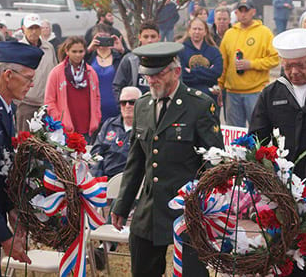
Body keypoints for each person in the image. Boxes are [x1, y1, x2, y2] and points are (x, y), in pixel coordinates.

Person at [111, 42, 224, 277]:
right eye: (148, 75)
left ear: (176, 71)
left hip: (187, 209)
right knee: (143, 269)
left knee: (193, 273)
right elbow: (135, 161)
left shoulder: (200, 105)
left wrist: (209, 209)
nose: (152, 81)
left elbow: (215, 163)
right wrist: (122, 204)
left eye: (158, 74)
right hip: (150, 208)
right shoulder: (142, 105)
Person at [249, 28, 306, 276]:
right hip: (284, 189)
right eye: (288, 66)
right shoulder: (271, 93)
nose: (294, 72)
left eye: (301, 65)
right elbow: (257, 139)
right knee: (286, 257)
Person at [0, 41, 44, 276]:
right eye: (27, 77)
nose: (31, 84)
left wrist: (12, 208)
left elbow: (2, 167)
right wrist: (4, 236)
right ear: (7, 75)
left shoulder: (4, 108)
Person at [219, 0, 279, 127]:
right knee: (234, 134)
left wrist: (251, 64)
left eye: (246, 10)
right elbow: (223, 63)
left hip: (255, 92)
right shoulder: (229, 34)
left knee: (257, 131)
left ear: (253, 12)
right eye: (240, 11)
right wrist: (220, 85)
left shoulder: (264, 33)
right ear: (236, 13)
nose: (243, 14)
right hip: (232, 93)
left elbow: (274, 59)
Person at [45, 36, 101, 142]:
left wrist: (96, 117)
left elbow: (97, 97)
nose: (78, 55)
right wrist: (60, 120)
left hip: (86, 127)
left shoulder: (90, 72)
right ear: (67, 51)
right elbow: (49, 101)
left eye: (81, 51)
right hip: (65, 129)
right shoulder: (56, 72)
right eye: (74, 51)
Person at [16, 13, 57, 132]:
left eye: (36, 28)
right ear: (23, 29)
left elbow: (54, 72)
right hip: (26, 105)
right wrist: (18, 102)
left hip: (47, 106)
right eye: (30, 28)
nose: (34, 31)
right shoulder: (18, 49)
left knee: (48, 145)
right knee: (26, 145)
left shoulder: (49, 47)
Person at [91, 86, 142, 178]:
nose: (127, 106)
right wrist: (97, 180)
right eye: (123, 103)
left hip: (131, 180)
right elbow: (96, 153)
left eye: (132, 102)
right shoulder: (109, 124)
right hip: (105, 179)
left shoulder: (146, 127)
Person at [86, 23, 125, 124]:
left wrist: (122, 51)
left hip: (115, 106)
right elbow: (74, 64)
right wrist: (89, 50)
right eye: (99, 37)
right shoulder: (89, 58)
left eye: (106, 38)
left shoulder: (118, 58)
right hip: (94, 108)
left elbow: (133, 63)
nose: (102, 41)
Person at [178, 17, 223, 102]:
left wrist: (192, 71)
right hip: (187, 97)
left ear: (205, 32)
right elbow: (181, 75)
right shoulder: (180, 50)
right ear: (189, 30)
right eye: (194, 29)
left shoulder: (214, 51)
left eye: (200, 29)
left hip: (210, 97)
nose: (197, 32)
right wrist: (207, 72)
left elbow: (217, 72)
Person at [112, 20, 161, 99]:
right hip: (136, 108)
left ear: (159, 37)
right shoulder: (129, 60)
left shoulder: (167, 60)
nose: (149, 40)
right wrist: (125, 106)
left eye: (153, 36)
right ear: (140, 38)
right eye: (146, 37)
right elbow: (117, 87)